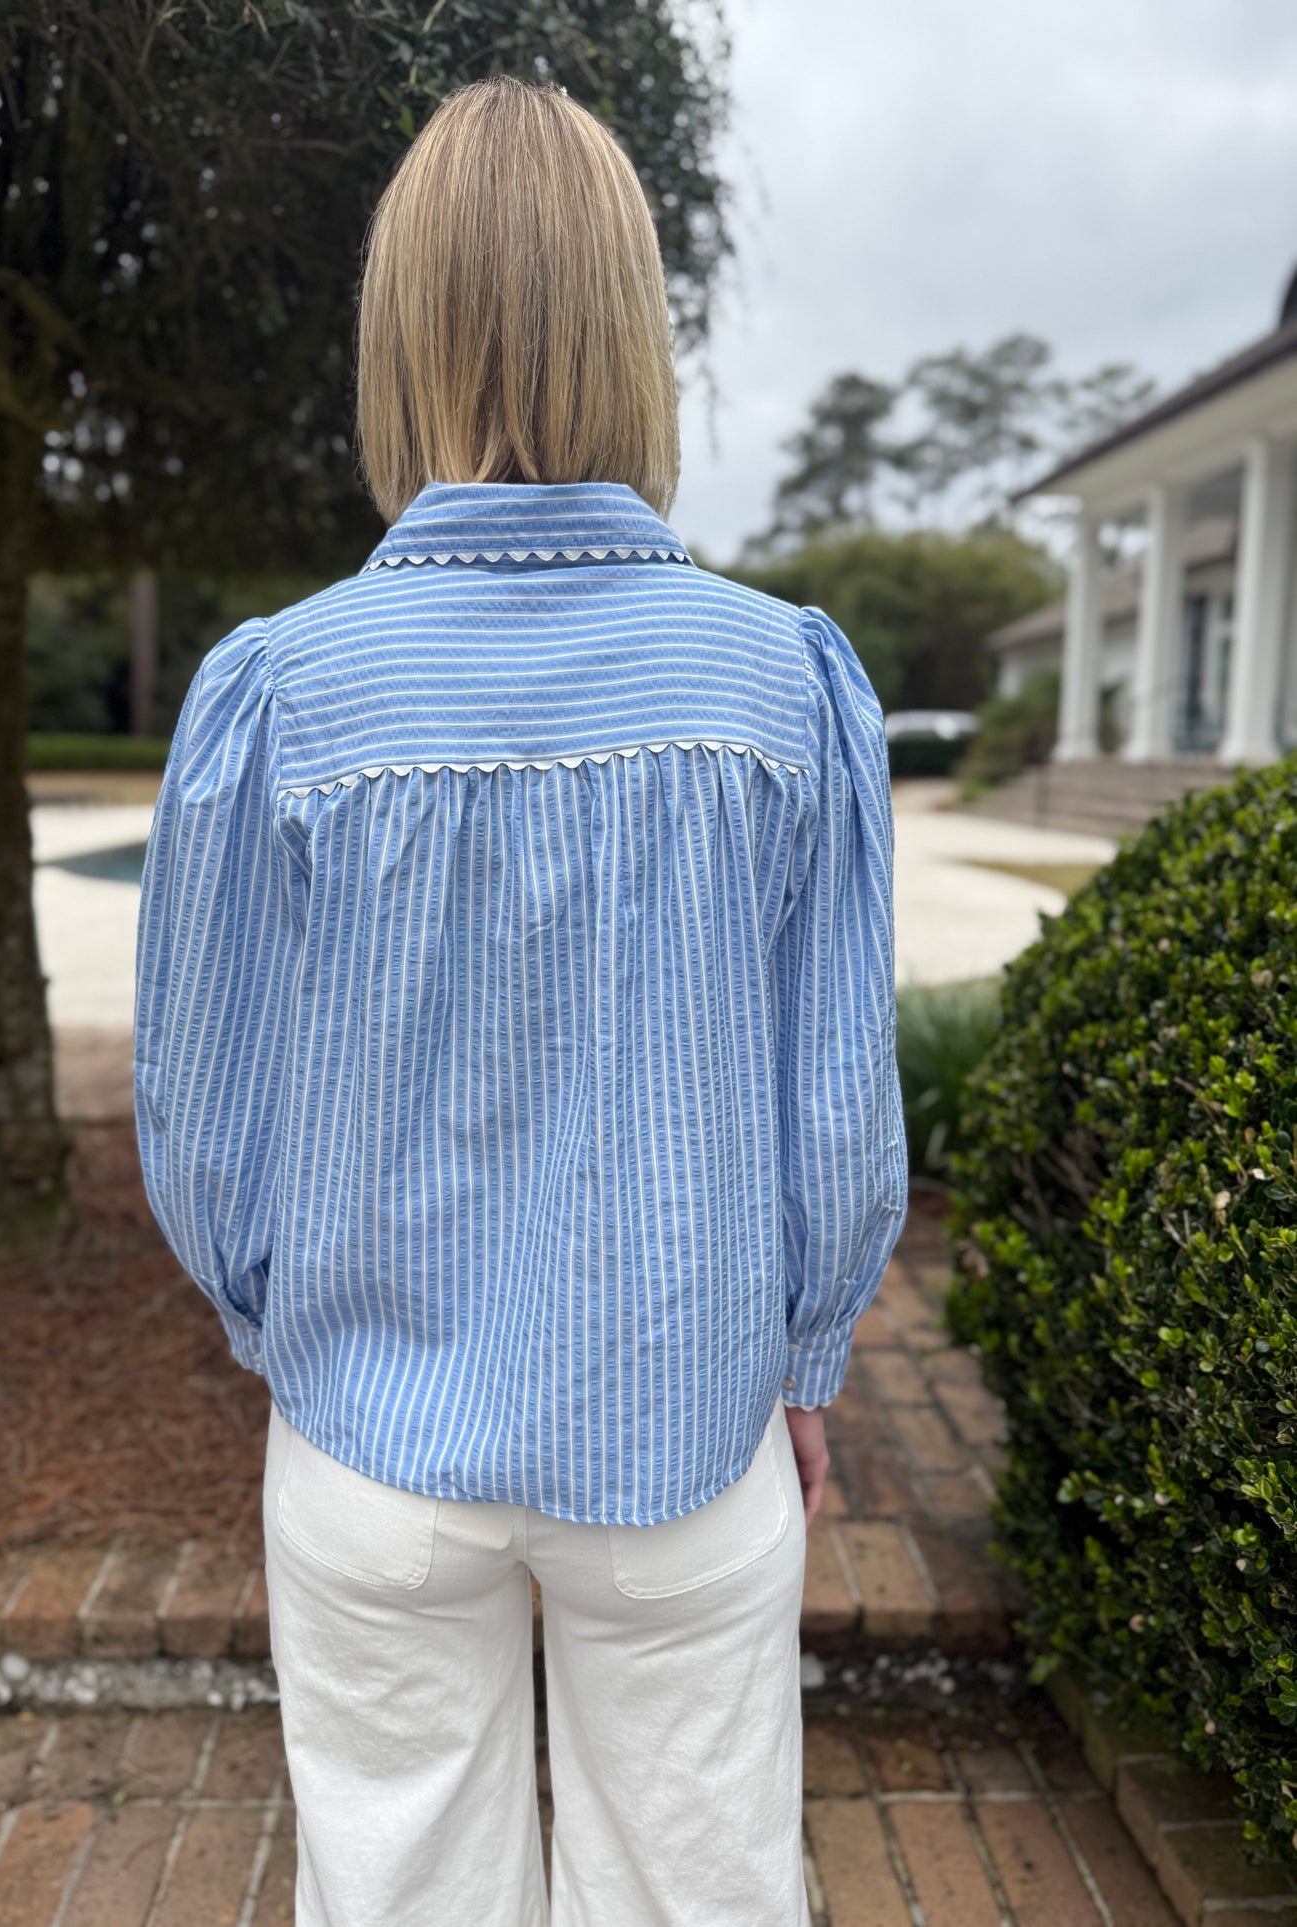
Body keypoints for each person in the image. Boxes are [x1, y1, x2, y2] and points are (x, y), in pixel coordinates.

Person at [134, 74, 905, 1927]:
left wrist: (297, 1337)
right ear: (635, 325)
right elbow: (834, 1112)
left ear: (395, 327)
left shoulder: (278, 694)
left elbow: (202, 1115)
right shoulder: (780, 685)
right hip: (688, 1434)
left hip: (367, 1447)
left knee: (389, 1887)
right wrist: (802, 1358)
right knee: (700, 1892)